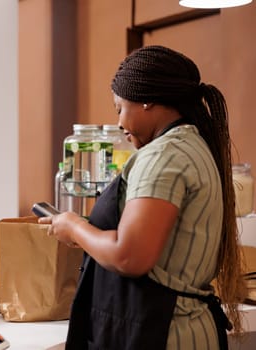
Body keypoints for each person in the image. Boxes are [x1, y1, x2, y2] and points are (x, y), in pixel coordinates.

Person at [39, 46, 247, 349]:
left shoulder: (162, 156)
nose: (120, 124)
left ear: (146, 100)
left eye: (120, 108)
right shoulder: (191, 146)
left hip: (164, 333)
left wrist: (74, 227)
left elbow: (129, 256)